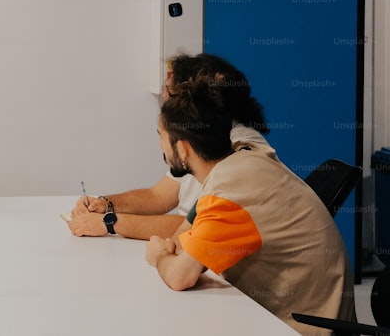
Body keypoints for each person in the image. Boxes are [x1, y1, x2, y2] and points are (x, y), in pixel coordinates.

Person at [144, 76, 355, 334]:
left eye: (161, 137)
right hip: (306, 312)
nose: (160, 147)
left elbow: (180, 276)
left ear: (184, 148)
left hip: (305, 327)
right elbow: (184, 235)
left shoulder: (229, 195)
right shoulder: (243, 157)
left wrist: (160, 256)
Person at [67, 53, 273, 240]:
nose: (165, 97)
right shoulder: (200, 136)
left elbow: (198, 226)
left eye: (171, 90)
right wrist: (105, 204)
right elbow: (158, 196)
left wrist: (111, 223)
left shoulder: (233, 146)